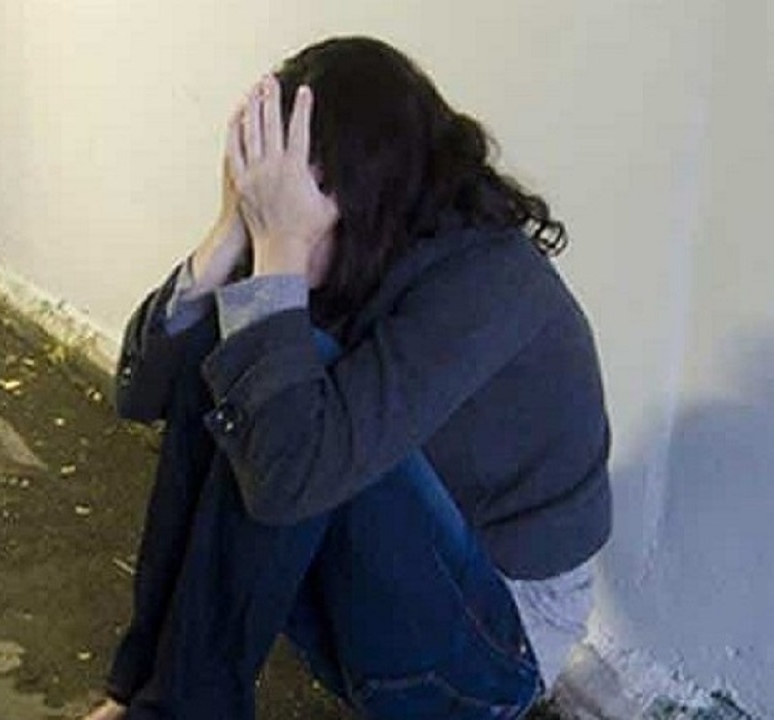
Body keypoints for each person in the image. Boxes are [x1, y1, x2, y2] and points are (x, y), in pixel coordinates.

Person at [84, 36, 611, 720]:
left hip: (494, 650)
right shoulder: (361, 246)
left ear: (362, 190)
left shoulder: (491, 281)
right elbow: (143, 392)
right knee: (242, 348)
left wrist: (281, 250)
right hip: (394, 589)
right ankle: (143, 696)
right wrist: (229, 235)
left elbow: (290, 475)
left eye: (291, 201)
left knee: (283, 381)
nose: (280, 221)